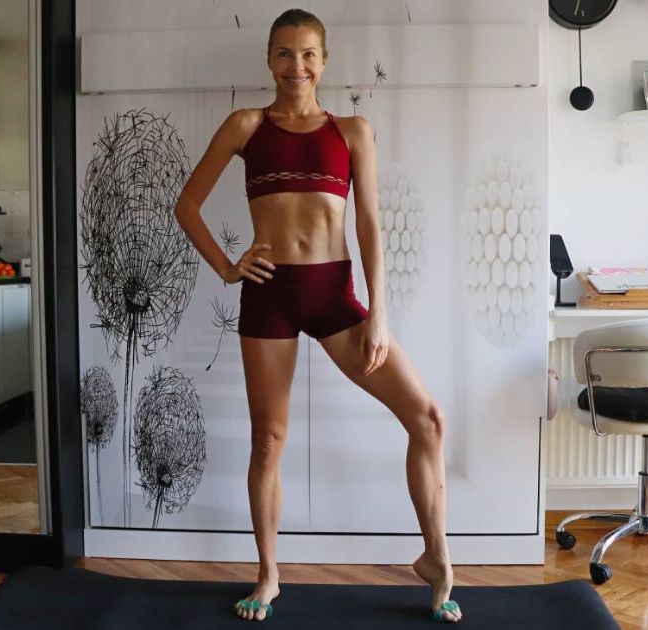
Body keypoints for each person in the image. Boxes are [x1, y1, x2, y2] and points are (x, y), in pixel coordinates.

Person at [172, 8, 463, 624]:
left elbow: (369, 224)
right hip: (270, 292)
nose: (295, 65)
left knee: (428, 418)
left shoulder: (353, 130)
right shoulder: (245, 125)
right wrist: (228, 267)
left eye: (307, 54)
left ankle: (436, 559)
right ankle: (269, 575)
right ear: (269, 59)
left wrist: (378, 313)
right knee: (268, 441)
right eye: (283, 53)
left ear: (324, 61)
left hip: (335, 296)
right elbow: (187, 205)